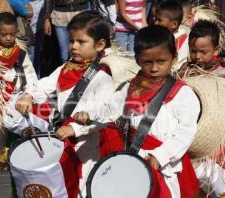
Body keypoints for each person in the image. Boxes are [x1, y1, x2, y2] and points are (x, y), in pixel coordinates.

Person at [74, 25, 200, 197]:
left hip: (164, 165)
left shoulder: (183, 94)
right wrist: (89, 115)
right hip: (133, 162)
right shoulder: (130, 87)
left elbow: (185, 132)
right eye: (148, 62)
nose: (154, 68)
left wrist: (161, 156)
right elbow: (110, 109)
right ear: (138, 60)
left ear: (174, 57)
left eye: (161, 61)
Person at [15, 10, 115, 197]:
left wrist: (76, 129)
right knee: (63, 183)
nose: (74, 47)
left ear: (100, 45)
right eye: (71, 41)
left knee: (83, 185)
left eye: (81, 42)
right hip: (62, 138)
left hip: (86, 144)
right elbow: (44, 85)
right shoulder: (65, 68)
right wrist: (28, 95)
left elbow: (103, 113)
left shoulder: (103, 78)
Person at [0, 12, 38, 171]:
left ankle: (13, 156)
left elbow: (30, 75)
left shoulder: (21, 54)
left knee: (16, 127)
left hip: (16, 96)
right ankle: (2, 153)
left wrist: (29, 93)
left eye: (12, 34)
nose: (8, 38)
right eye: (4, 34)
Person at [179, 20, 225, 197]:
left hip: (217, 140)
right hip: (193, 140)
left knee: (214, 179)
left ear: (216, 50)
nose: (197, 56)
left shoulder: (221, 76)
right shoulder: (184, 72)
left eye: (203, 52)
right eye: (193, 50)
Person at [154, 0, 189, 71]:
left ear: (174, 24)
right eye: (155, 19)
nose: (155, 23)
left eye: (159, 20)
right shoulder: (157, 35)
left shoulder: (182, 40)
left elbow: (179, 65)